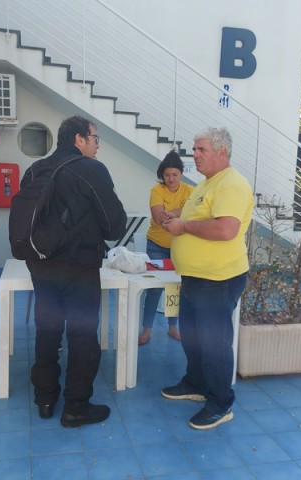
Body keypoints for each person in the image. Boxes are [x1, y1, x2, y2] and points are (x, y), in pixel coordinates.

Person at [26, 115, 127, 427]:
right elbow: (115, 226)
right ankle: (76, 407)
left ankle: (45, 398)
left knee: (47, 331)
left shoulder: (35, 169)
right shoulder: (92, 170)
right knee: (82, 335)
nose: (97, 146)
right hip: (79, 267)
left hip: (41, 266)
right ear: (80, 139)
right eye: (95, 139)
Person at [160, 127, 253, 430]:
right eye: (194, 149)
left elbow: (226, 229)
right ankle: (196, 383)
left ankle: (220, 404)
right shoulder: (206, 184)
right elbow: (198, 217)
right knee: (192, 335)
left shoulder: (231, 184)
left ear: (221, 152)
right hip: (195, 276)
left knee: (214, 344)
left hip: (218, 278)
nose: (195, 155)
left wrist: (184, 227)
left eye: (201, 149)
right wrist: (177, 218)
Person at [139, 151, 193, 345]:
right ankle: (146, 329)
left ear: (181, 174)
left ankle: (172, 327)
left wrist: (171, 212)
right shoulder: (157, 190)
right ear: (162, 175)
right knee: (154, 289)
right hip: (157, 246)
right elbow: (158, 217)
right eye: (167, 175)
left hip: (180, 247)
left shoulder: (190, 191)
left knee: (175, 288)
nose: (171, 179)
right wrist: (181, 213)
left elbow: (194, 213)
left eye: (175, 175)